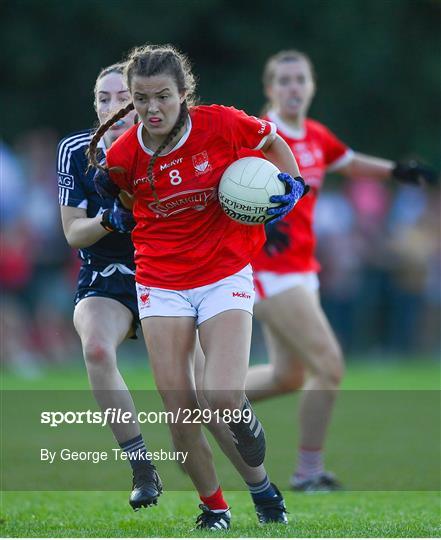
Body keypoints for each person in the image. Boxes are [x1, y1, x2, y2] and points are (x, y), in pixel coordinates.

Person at [88, 44, 308, 530]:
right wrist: (118, 209)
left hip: (224, 271)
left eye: (163, 96)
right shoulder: (123, 156)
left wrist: (293, 185)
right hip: (161, 282)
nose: (152, 109)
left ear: (184, 94)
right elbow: (120, 197)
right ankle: (215, 506)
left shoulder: (223, 124)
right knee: (181, 411)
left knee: (222, 396)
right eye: (141, 99)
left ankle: (257, 470)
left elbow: (272, 143)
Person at [243, 50, 437, 491]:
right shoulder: (258, 136)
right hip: (268, 271)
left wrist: (396, 171)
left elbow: (347, 162)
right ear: (270, 89)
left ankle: (205, 403)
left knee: (287, 375)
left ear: (311, 87)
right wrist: (257, 222)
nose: (294, 88)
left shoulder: (314, 135)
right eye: (285, 81)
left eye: (301, 80)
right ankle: (308, 474)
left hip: (301, 270)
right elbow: (226, 186)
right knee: (329, 365)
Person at [57, 63, 162, 510]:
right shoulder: (76, 149)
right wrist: (107, 219)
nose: (113, 107)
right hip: (105, 276)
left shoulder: (167, 146)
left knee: (198, 393)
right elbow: (72, 233)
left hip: (166, 274)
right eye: (104, 98)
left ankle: (253, 486)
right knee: (96, 349)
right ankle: (141, 467)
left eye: (123, 98)